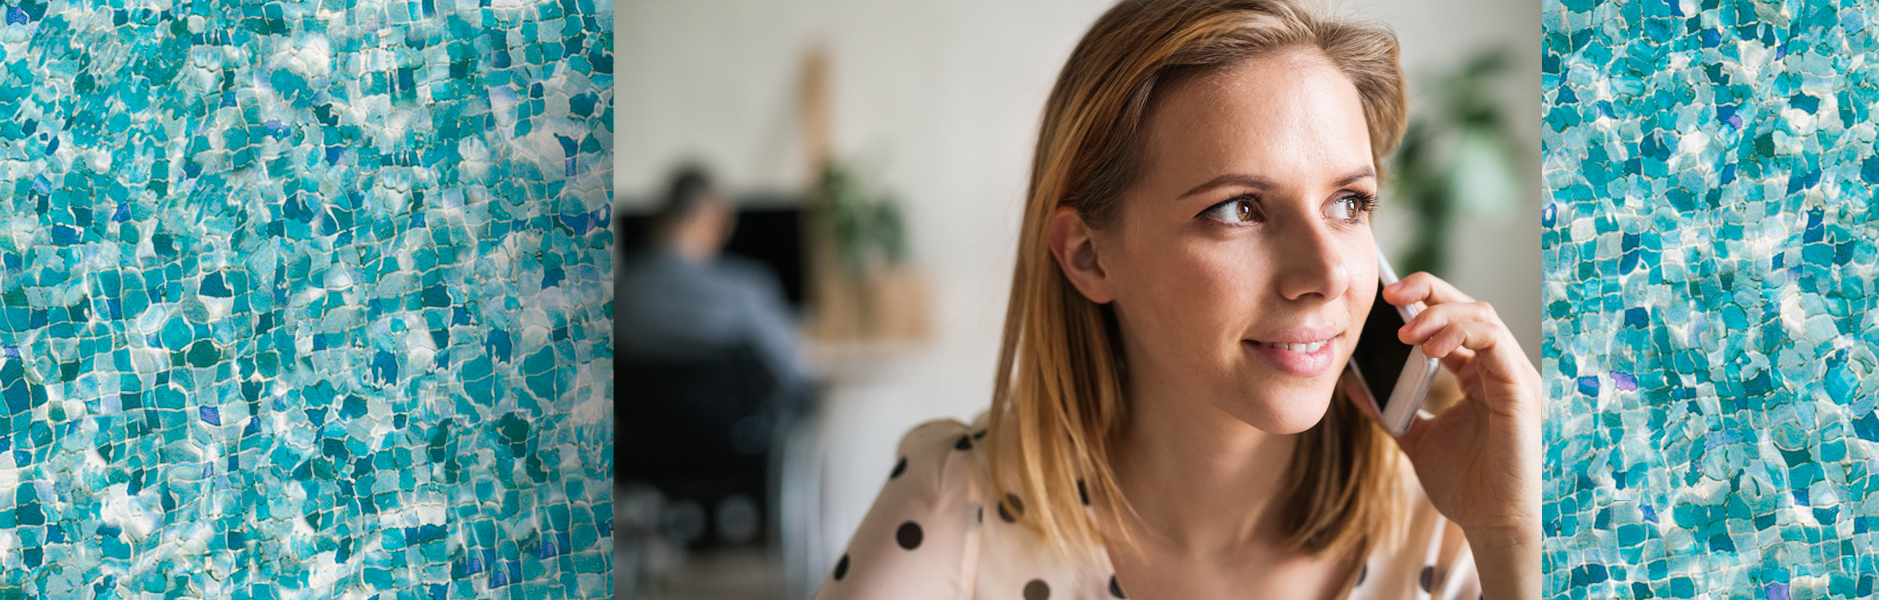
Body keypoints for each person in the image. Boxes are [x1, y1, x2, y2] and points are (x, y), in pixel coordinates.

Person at [814, 0, 1543, 598]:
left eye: (1350, 202)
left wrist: (1512, 539)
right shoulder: (956, 509)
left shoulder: (1457, 521)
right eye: (1238, 210)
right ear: (1088, 255)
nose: (1325, 273)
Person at [614, 165, 812, 546]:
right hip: (741, 449)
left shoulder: (618, 297)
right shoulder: (744, 291)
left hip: (644, 454)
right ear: (715, 218)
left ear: (661, 217)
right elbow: (795, 376)